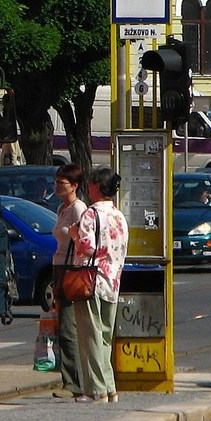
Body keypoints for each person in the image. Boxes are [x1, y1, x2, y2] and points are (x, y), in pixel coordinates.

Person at [69, 166, 129, 403]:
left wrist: (74, 235)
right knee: (104, 337)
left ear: (96, 187)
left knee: (89, 336)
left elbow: (86, 247)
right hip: (112, 281)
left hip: (90, 281)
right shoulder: (118, 215)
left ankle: (96, 390)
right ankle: (110, 387)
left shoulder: (91, 215)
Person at [51, 163, 86, 398]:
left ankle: (74, 383)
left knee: (68, 327)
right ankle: (70, 380)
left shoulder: (78, 208)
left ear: (74, 186)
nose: (57, 187)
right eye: (56, 182)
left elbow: (84, 240)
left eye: (62, 183)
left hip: (71, 269)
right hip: (59, 266)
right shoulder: (62, 208)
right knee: (62, 327)